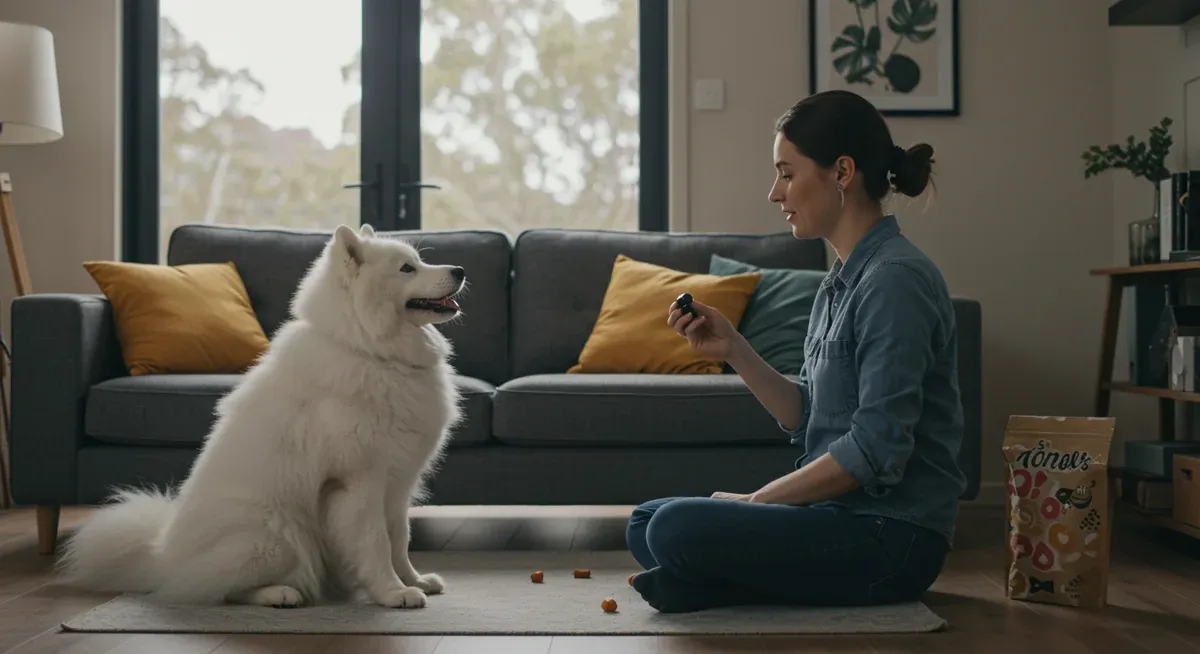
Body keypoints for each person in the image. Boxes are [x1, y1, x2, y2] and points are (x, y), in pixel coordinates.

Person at [625, 89, 968, 614]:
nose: (774, 193)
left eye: (786, 173)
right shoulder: (838, 282)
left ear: (842, 172)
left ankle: (720, 586)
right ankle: (724, 586)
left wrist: (755, 501)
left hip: (891, 537)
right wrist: (733, 348)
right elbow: (807, 416)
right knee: (647, 520)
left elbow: (876, 450)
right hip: (835, 517)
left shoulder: (895, 281)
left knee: (673, 528)